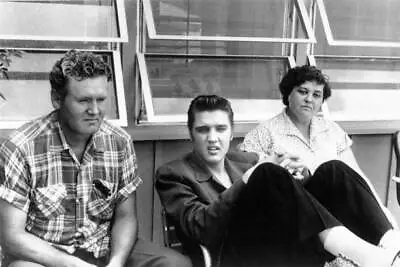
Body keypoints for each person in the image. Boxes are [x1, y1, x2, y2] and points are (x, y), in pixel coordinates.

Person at [156, 94, 400, 267]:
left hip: (283, 244)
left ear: (231, 132)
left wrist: (300, 175)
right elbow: (200, 227)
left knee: (333, 170)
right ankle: (362, 255)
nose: (212, 138)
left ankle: (392, 246)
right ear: (190, 133)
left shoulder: (244, 159)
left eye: (220, 129)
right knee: (265, 173)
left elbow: (292, 198)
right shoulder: (173, 174)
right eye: (203, 130)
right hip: (235, 257)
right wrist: (253, 177)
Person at [0, 50, 192, 267]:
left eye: (101, 100)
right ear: (56, 99)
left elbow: (126, 217)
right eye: (83, 101)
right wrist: (73, 265)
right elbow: (11, 236)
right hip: (47, 257)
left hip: (103, 249)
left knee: (175, 264)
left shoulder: (119, 142)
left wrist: (116, 262)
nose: (95, 110)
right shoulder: (21, 147)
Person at [239, 65, 396, 225]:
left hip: (339, 211)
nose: (309, 99)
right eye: (303, 91)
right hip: (296, 213)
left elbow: (357, 177)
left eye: (316, 95)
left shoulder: (331, 129)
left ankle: (389, 238)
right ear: (288, 94)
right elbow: (251, 182)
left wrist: (382, 211)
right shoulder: (264, 132)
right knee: (333, 169)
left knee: (337, 170)